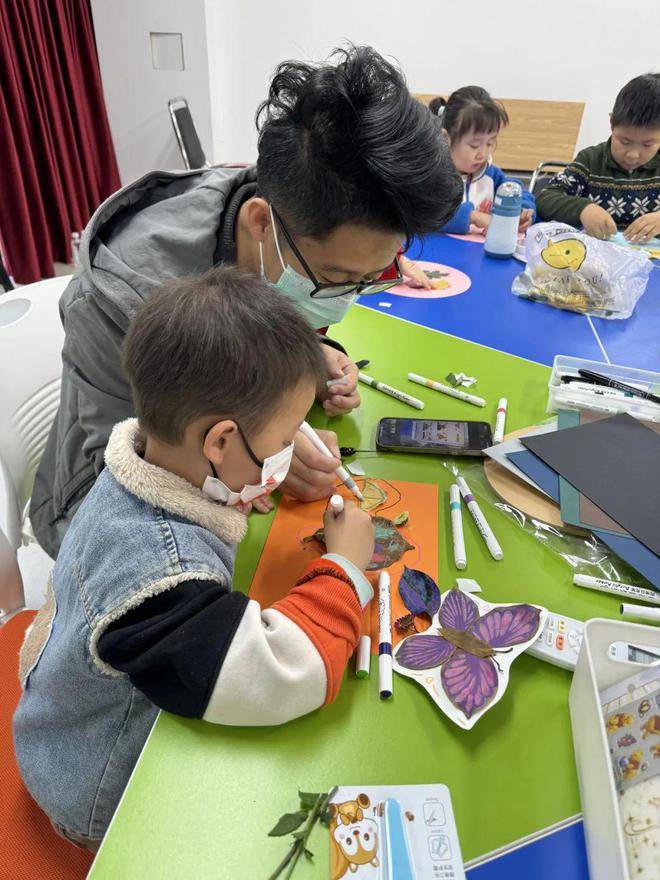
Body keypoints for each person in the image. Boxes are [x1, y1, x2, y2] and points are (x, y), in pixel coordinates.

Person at [30, 45, 462, 559]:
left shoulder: (286, 222)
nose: (345, 301)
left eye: (371, 279)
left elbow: (266, 322)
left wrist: (306, 362)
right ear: (261, 223)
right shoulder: (125, 302)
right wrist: (262, 460)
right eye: (337, 279)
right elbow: (125, 472)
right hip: (111, 521)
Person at [13, 267, 376, 851]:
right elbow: (280, 676)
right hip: (97, 792)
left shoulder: (145, 461)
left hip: (71, 713)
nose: (292, 452)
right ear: (220, 442)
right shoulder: (159, 576)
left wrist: (243, 486)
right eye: (286, 440)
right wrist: (346, 569)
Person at [537, 74, 660, 241]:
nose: (633, 155)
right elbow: (545, 199)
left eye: (647, 145)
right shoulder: (590, 160)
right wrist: (583, 209)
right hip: (597, 252)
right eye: (625, 141)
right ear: (612, 123)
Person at [429, 88, 536, 235]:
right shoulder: (432, 176)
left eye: (490, 143)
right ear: (446, 139)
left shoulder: (492, 175)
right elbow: (425, 214)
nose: (483, 154)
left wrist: (520, 212)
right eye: (474, 146)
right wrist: (472, 217)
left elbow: (519, 193)